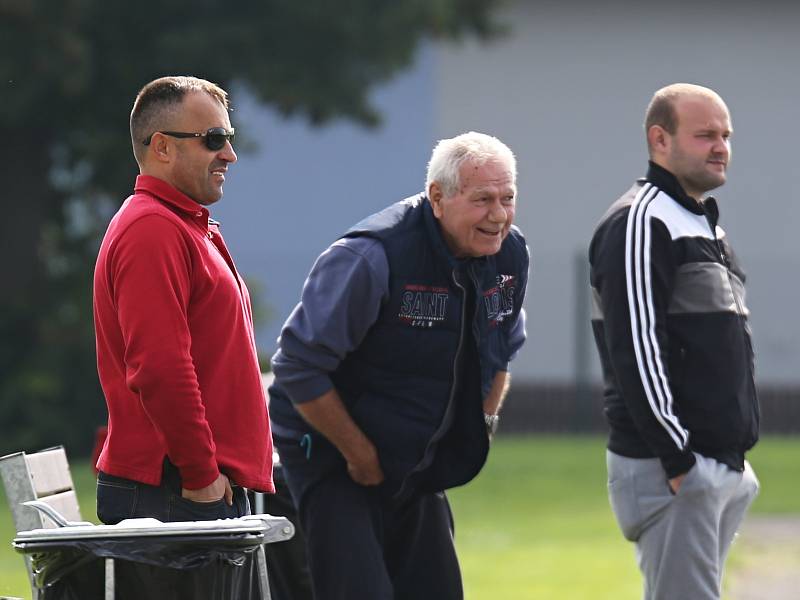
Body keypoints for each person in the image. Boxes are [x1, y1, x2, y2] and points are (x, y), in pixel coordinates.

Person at [269, 131, 529, 600]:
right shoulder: (370, 257)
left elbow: (504, 344)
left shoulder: (509, 254)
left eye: (507, 198)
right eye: (482, 199)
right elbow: (298, 367)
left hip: (416, 457)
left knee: (438, 589)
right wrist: (359, 453)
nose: (498, 215)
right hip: (332, 455)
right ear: (438, 197)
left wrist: (482, 420)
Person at [589, 83, 760, 600]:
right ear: (659, 140)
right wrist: (680, 460)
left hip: (714, 465)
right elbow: (637, 348)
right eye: (705, 134)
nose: (721, 147)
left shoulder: (702, 223)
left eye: (726, 135)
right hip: (673, 468)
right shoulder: (641, 221)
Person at [93, 76, 274, 524]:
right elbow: (161, 367)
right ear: (162, 147)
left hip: (190, 486)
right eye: (214, 139)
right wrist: (200, 474)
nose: (229, 154)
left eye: (229, 138)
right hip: (177, 489)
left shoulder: (181, 225)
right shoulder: (152, 229)